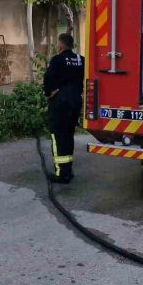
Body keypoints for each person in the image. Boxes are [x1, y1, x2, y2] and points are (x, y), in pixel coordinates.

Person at [43, 33, 85, 184]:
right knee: (68, 134)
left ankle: (62, 173)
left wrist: (49, 93)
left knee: (58, 136)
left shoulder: (57, 59)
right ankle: (68, 170)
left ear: (60, 46)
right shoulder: (81, 60)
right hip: (75, 101)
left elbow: (48, 79)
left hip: (60, 102)